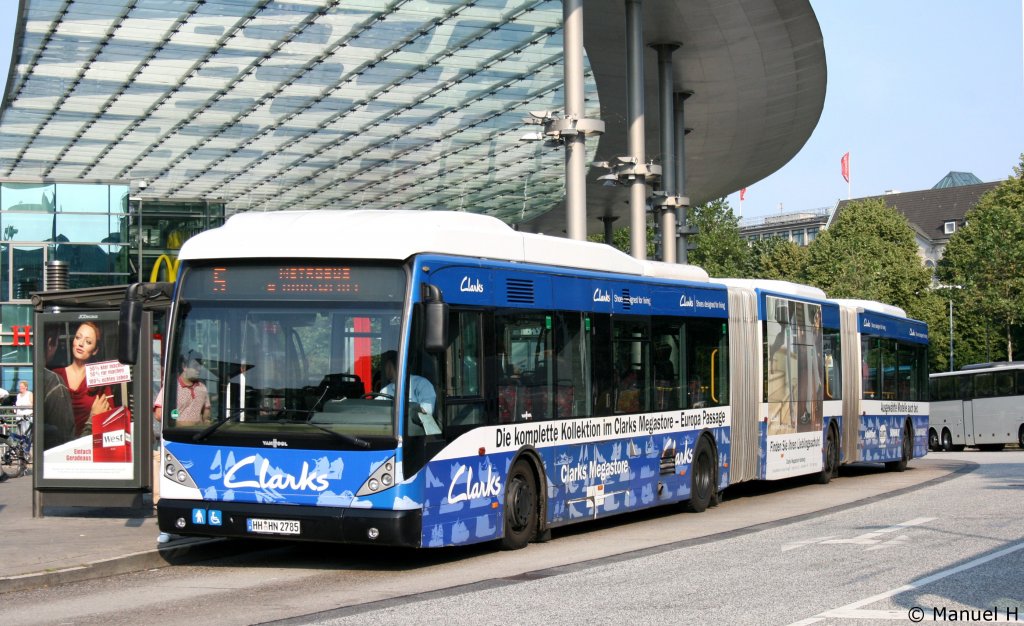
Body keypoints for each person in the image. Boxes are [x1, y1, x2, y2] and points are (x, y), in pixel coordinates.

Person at [53, 321, 112, 438]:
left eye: (88, 342)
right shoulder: (55, 376)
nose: (80, 344)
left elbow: (109, 420)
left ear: (95, 350)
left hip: (88, 444)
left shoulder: (100, 379)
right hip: (58, 445)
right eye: (78, 337)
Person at [377, 350, 439, 434]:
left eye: (387, 366)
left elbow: (427, 410)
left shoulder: (421, 383)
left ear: (396, 365)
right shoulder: (385, 390)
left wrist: (411, 409)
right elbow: (376, 408)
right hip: (391, 431)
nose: (385, 369)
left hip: (419, 433)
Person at [154, 352, 211, 427]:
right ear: (184, 366)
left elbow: (206, 411)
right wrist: (180, 425)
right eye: (195, 366)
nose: (199, 369)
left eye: (200, 365)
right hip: (178, 433)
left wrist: (206, 423)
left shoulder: (202, 388)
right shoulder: (172, 387)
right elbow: (158, 414)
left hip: (199, 433)